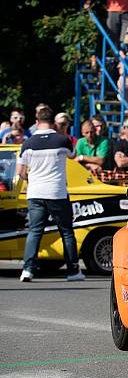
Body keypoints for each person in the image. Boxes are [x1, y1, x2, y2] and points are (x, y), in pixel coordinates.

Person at [17, 106, 85, 282]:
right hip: (57, 192)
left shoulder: (28, 143)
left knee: (35, 231)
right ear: (53, 122)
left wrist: (31, 178)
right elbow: (73, 155)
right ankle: (73, 271)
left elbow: (20, 172)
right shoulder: (62, 141)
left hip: (35, 192)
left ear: (37, 121)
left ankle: (27, 270)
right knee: (67, 232)